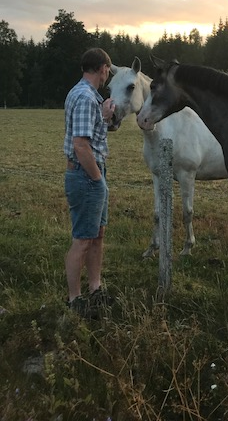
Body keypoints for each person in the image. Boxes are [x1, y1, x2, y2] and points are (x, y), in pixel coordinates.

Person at [63, 47, 116, 317]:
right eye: (108, 69)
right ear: (102, 68)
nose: (108, 74)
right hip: (87, 175)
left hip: (92, 172)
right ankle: (75, 300)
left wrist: (105, 117)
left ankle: (95, 289)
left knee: (97, 235)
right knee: (83, 239)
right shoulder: (85, 97)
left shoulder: (89, 97)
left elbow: (93, 137)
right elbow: (81, 145)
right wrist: (97, 179)